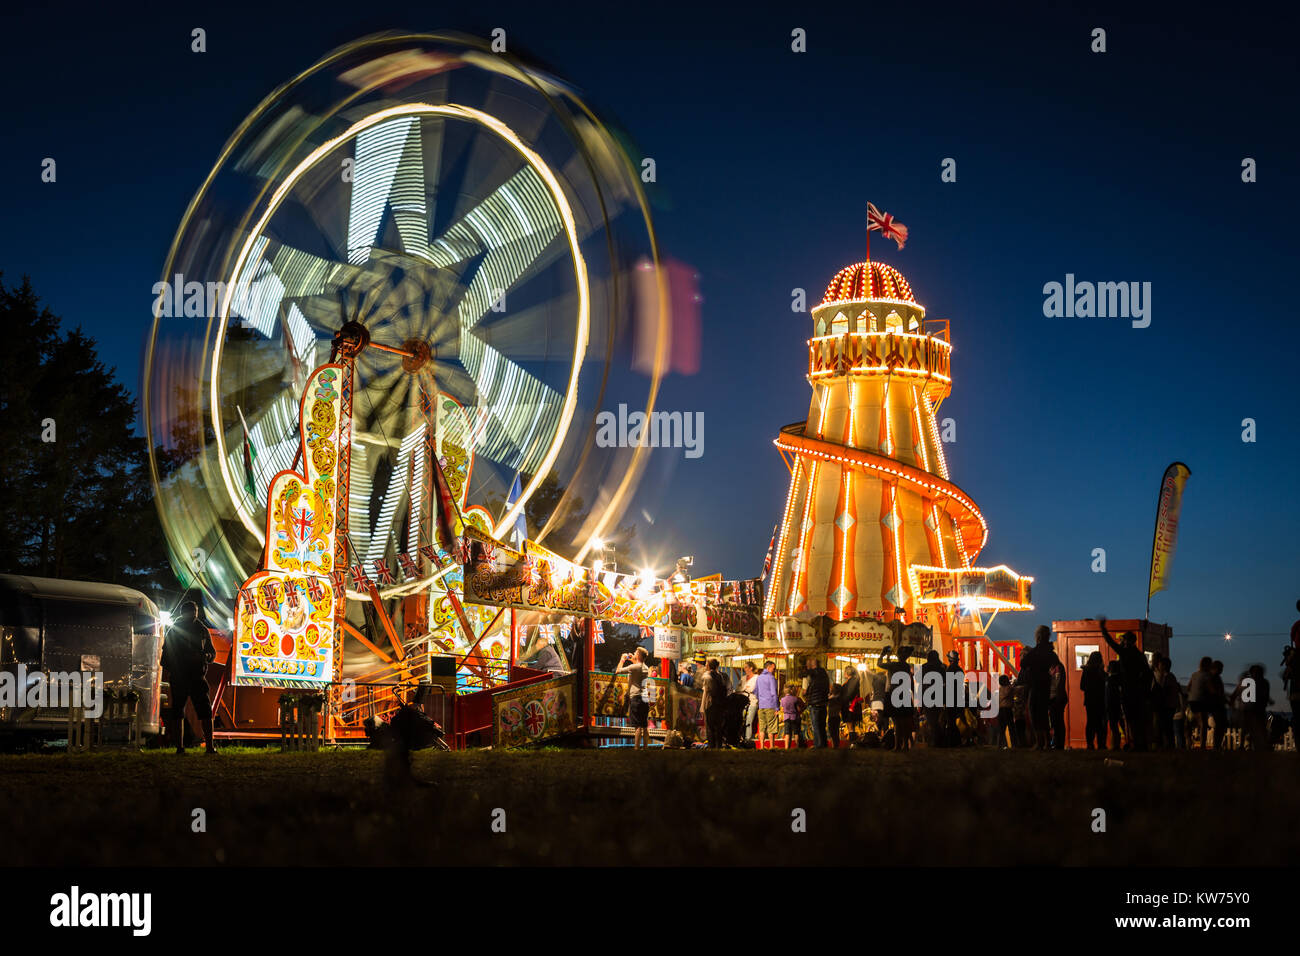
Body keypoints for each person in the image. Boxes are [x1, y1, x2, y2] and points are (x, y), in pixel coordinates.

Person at [161, 601, 218, 755]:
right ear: (183, 613)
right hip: (180, 676)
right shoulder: (174, 631)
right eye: (190, 611)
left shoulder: (202, 630)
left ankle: (209, 747)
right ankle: (180, 747)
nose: (193, 614)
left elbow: (211, 653)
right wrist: (179, 664)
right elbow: (165, 657)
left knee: (205, 710)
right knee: (178, 711)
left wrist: (206, 656)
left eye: (195, 611)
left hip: (197, 676)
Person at [1098, 617, 1151, 750]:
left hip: (1128, 689)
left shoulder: (1125, 652)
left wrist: (1103, 629)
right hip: (1138, 690)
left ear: (1127, 641)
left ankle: (1135, 744)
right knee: (1138, 718)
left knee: (1130, 718)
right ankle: (1141, 744)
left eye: (1123, 640)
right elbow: (1147, 673)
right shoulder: (1139, 655)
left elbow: (1111, 642)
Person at [1016, 626, 1061, 750]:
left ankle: (1039, 741)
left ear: (1039, 636)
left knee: (1034, 712)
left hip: (1035, 685)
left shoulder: (1036, 651)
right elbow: (1056, 664)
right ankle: (1047, 742)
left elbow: (1023, 664)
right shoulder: (1050, 652)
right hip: (1046, 685)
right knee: (1043, 714)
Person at [616, 647, 654, 749]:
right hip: (645, 698)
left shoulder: (634, 667)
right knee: (644, 726)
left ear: (638, 655)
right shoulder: (646, 667)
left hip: (636, 698)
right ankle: (645, 747)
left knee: (637, 726)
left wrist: (622, 659)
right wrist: (633, 660)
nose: (633, 653)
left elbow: (618, 671)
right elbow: (638, 666)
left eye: (635, 653)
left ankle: (636, 748)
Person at [1150, 656, 1181, 750]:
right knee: (1167, 726)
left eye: (1160, 664)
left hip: (1167, 705)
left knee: (1166, 726)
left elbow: (1165, 691)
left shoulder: (1168, 677)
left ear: (1163, 665)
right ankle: (1168, 745)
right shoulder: (1170, 676)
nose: (1158, 665)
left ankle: (1168, 745)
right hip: (1169, 705)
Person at [1080, 650, 1107, 750]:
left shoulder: (1086, 671)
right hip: (1100, 700)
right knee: (1100, 723)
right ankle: (1101, 744)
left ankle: (1090, 744)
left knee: (1090, 722)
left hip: (1090, 701)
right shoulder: (1101, 672)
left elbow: (1082, 686)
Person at [699, 658, 729, 749]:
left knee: (710, 727)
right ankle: (718, 746)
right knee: (718, 727)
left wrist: (702, 707)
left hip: (710, 704)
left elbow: (706, 692)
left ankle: (711, 746)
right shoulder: (721, 676)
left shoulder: (707, 676)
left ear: (708, 666)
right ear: (717, 666)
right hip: (720, 705)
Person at [1187, 656, 1214, 749]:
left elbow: (1188, 687)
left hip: (1192, 700)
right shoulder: (1207, 675)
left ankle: (1189, 741)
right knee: (1204, 724)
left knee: (1194, 722)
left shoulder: (1194, 674)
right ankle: (1202, 745)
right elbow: (1211, 689)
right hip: (1201, 700)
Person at [803, 658, 831, 747]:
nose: (807, 666)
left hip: (815, 703)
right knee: (822, 725)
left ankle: (818, 745)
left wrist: (807, 695)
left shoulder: (811, 675)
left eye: (808, 665)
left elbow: (806, 690)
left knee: (816, 726)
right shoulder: (824, 674)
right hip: (823, 702)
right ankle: (823, 744)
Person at [921, 650, 946, 747]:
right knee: (936, 719)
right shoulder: (942, 667)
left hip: (928, 696)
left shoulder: (924, 667)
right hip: (939, 696)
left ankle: (937, 740)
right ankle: (938, 740)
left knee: (932, 720)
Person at [755, 660, 780, 750]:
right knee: (771, 727)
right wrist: (777, 707)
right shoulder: (771, 678)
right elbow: (774, 693)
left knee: (762, 727)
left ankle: (761, 747)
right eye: (774, 669)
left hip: (761, 706)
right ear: (768, 667)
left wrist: (760, 701)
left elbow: (756, 692)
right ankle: (771, 746)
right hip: (771, 705)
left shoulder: (759, 678)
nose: (774, 670)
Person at [1047, 652, 1069, 749]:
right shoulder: (1057, 667)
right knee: (1056, 721)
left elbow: (1057, 683)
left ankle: (1059, 744)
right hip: (1056, 697)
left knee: (1057, 721)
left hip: (1056, 698)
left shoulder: (1057, 668)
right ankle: (1058, 742)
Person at [944, 650, 965, 747]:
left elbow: (947, 685)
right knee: (957, 720)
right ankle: (957, 741)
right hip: (959, 698)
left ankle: (953, 742)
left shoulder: (949, 669)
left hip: (950, 698)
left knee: (950, 721)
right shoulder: (960, 670)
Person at [1104, 660, 1125, 750]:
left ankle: (1116, 745)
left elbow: (1108, 695)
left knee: (1114, 726)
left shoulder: (1110, 680)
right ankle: (1126, 742)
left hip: (1112, 705)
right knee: (1122, 725)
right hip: (1119, 705)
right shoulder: (1121, 679)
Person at [841, 664, 863, 743]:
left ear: (847, 673)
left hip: (850, 706)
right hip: (853, 705)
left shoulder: (851, 682)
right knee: (852, 725)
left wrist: (843, 700)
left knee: (850, 725)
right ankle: (853, 742)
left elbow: (849, 694)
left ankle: (852, 742)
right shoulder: (854, 680)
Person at [740, 661, 760, 744]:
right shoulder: (743, 678)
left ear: (751, 668)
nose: (745, 669)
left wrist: (747, 689)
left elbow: (755, 689)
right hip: (743, 701)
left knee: (749, 720)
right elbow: (739, 688)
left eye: (746, 667)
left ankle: (747, 739)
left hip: (752, 701)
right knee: (741, 719)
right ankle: (741, 737)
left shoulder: (757, 678)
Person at [780, 683, 804, 750]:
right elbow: (798, 709)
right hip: (794, 717)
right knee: (796, 733)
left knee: (787, 733)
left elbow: (782, 709)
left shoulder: (782, 699)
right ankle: (797, 746)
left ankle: (786, 747)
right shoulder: (795, 699)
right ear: (791, 691)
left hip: (786, 717)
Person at [996, 674, 1013, 748]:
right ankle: (1013, 744)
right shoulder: (1008, 688)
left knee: (1001, 728)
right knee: (1010, 727)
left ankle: (999, 744)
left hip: (1001, 709)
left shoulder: (1000, 689)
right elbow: (1007, 694)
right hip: (1007, 709)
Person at [827, 680, 843, 748]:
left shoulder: (833, 698)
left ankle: (834, 746)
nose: (830, 688)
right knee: (835, 732)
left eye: (831, 688)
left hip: (832, 717)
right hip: (836, 716)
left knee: (833, 732)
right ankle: (835, 746)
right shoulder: (839, 697)